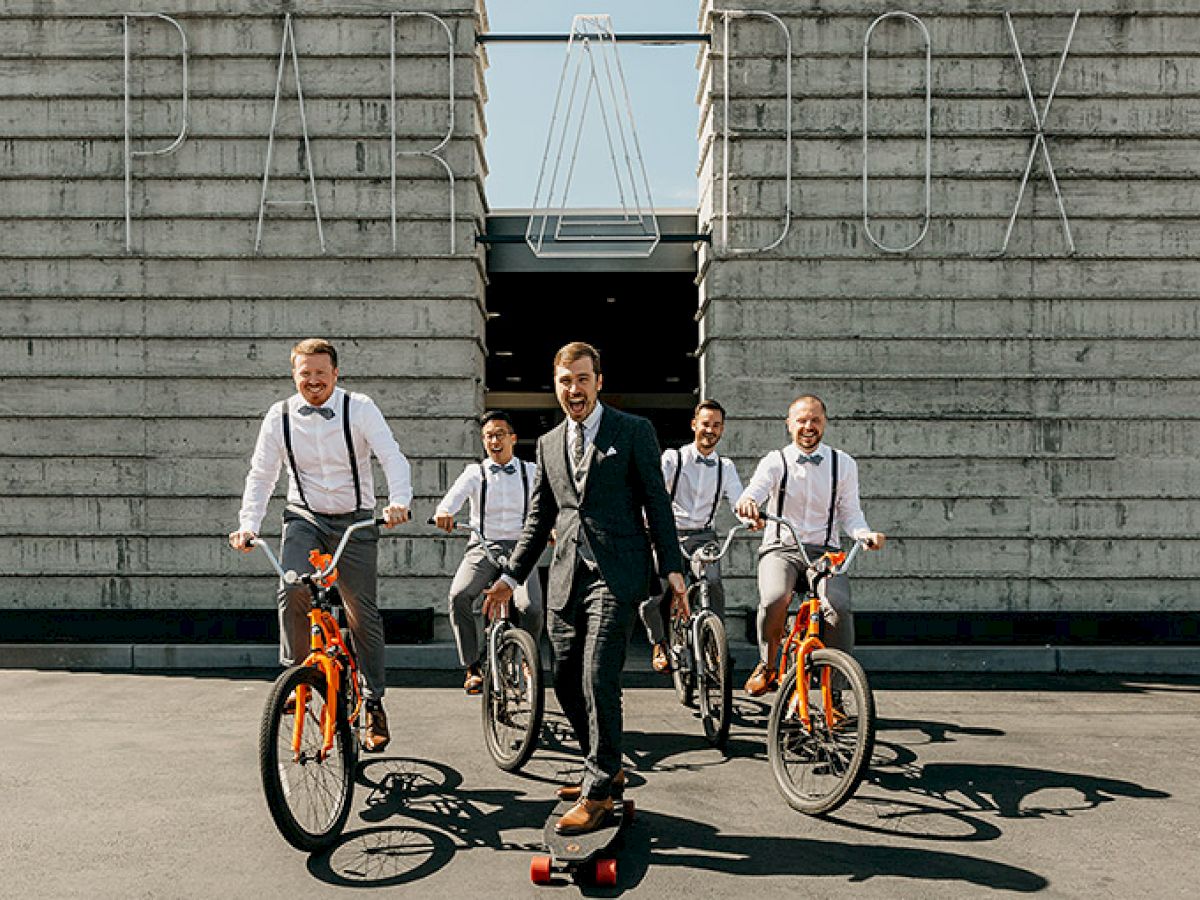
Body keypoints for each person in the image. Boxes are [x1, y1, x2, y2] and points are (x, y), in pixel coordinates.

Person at [483, 341, 686, 835]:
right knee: (566, 680)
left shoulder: (633, 431)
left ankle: (598, 791)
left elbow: (657, 504)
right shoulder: (549, 443)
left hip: (618, 573)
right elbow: (539, 520)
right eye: (565, 381)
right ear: (556, 386)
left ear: (599, 381)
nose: (574, 390)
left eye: (582, 379)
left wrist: (672, 568)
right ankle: (605, 763)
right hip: (567, 573)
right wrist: (510, 577)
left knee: (599, 676)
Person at [229, 338, 411, 752]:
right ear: (294, 375)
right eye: (304, 374)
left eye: (320, 374)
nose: (312, 381)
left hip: (358, 519)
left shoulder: (359, 408)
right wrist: (247, 526)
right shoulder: (279, 416)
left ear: (335, 374)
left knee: (360, 611)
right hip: (305, 518)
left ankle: (373, 701)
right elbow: (261, 475)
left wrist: (400, 501)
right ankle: (297, 679)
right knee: (292, 587)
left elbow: (392, 457)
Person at [734, 394, 886, 697]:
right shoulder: (775, 461)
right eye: (802, 420)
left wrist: (865, 534)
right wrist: (748, 504)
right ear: (789, 425)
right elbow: (752, 493)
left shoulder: (842, 464)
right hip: (782, 549)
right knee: (775, 598)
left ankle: (837, 693)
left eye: (815, 420)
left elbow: (850, 512)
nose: (808, 426)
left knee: (838, 608)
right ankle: (768, 664)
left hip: (825, 555)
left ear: (824, 423)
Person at [434, 411, 543, 694]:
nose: (494, 441)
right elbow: (451, 500)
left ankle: (527, 659)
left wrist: (553, 528)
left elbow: (547, 508)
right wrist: (444, 513)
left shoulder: (531, 472)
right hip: (483, 546)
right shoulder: (475, 473)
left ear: (513, 439)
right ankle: (472, 665)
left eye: (500, 435)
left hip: (522, 547)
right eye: (488, 436)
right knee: (459, 595)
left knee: (531, 607)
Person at [638, 399, 744, 673]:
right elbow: (657, 493)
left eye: (716, 425)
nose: (711, 430)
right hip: (669, 534)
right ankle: (659, 642)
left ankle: (713, 645)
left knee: (714, 585)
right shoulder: (675, 459)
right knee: (653, 596)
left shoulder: (726, 467)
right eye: (706, 424)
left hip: (704, 536)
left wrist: (749, 516)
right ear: (694, 424)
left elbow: (738, 500)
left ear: (722, 429)